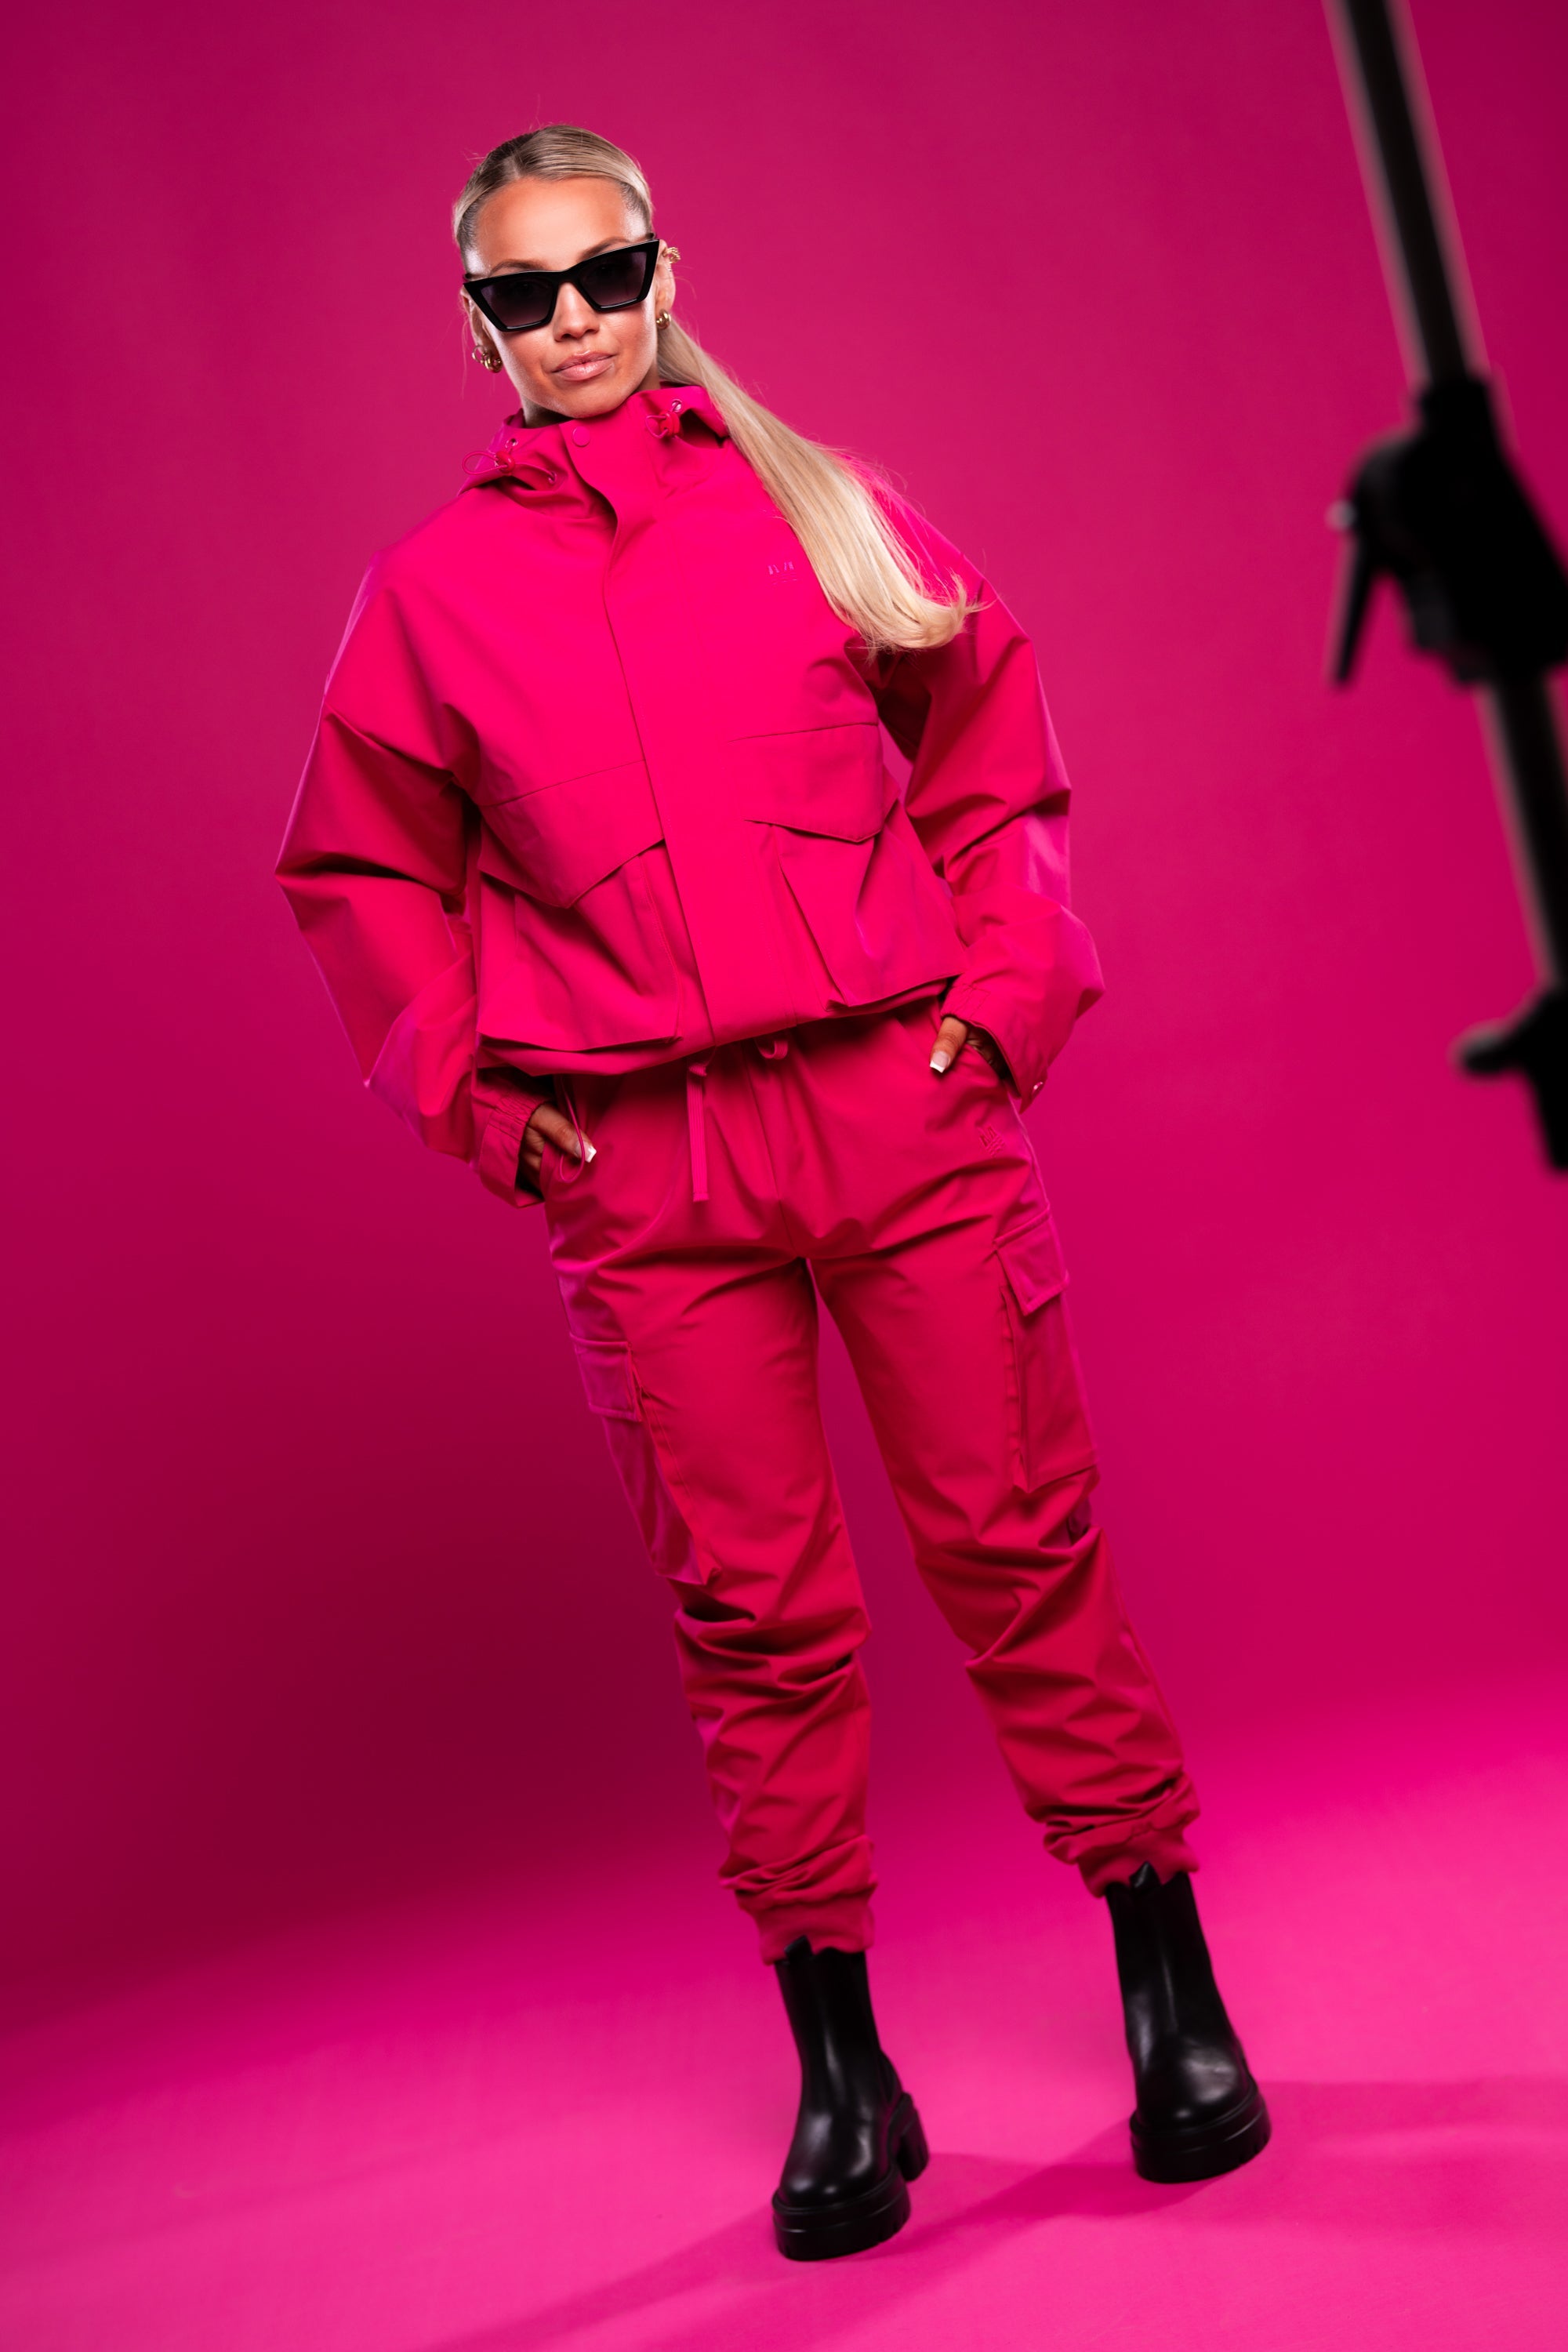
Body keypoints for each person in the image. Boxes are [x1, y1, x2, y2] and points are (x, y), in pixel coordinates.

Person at [277, 124, 1269, 2260]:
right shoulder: (430, 595)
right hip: (652, 1167)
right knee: (755, 1617)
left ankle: (1169, 1985)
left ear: (662, 269)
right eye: (522, 291)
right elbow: (359, 872)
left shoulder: (816, 505)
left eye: (602, 272)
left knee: (1019, 1545)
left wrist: (1000, 1006)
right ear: (475, 323)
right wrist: (489, 1104)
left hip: (900, 1118)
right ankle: (842, 2067)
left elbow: (994, 747)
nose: (571, 320)